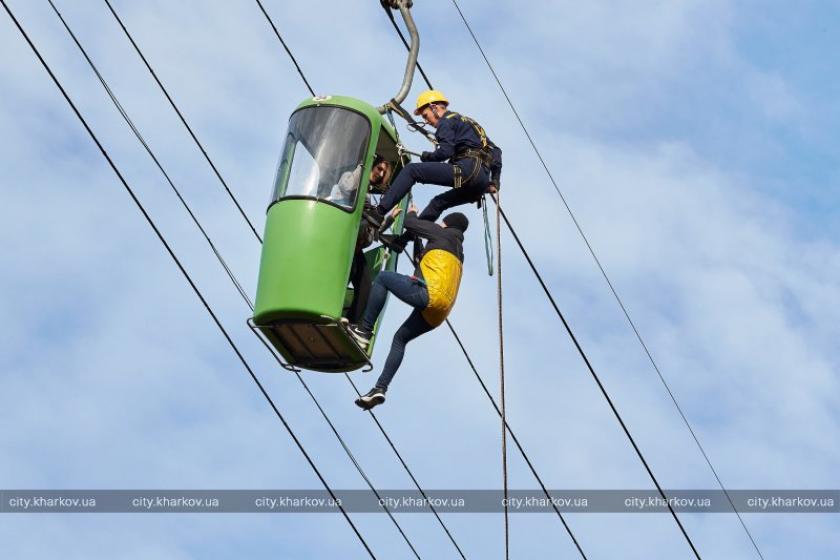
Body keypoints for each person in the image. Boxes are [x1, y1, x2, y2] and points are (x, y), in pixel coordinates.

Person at [348, 204, 469, 410]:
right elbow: (430, 263)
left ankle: (364, 331)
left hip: (429, 295)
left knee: (384, 278)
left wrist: (412, 212)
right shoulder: (457, 250)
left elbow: (410, 224)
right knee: (400, 339)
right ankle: (380, 388)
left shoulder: (441, 233)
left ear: (446, 224)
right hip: (440, 312)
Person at [366, 90, 502, 231]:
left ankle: (378, 213)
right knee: (438, 203)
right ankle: (403, 241)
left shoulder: (446, 122)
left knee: (412, 170)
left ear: (434, 107)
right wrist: (495, 181)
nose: (426, 121)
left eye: (426, 116)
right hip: (480, 183)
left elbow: (445, 152)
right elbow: (497, 151)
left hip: (466, 171)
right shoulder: (469, 123)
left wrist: (427, 156)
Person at [346, 156, 393, 323]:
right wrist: (363, 166)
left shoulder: (369, 195)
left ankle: (352, 323)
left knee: (366, 288)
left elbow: (373, 230)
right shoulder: (355, 180)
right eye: (378, 168)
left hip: (357, 248)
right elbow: (346, 186)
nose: (380, 174)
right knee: (346, 273)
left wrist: (390, 219)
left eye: (383, 172)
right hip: (346, 243)